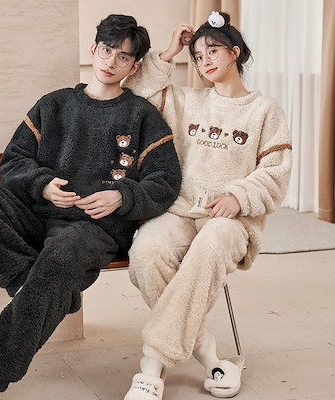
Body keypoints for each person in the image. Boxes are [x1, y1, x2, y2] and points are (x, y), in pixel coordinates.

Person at [0, 14, 181, 400]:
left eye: (123, 57)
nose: (111, 61)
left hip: (94, 228)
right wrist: (42, 184)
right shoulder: (53, 104)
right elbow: (14, 161)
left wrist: (123, 197)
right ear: (93, 49)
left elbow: (166, 180)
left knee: (59, 258)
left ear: (134, 67)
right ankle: (33, 285)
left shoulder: (142, 115)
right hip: (38, 216)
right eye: (106, 50)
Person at [123, 11, 292, 400]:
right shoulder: (187, 101)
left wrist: (239, 197)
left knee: (211, 245)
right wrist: (169, 53)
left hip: (232, 219)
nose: (204, 61)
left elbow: (276, 171)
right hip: (180, 211)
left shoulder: (265, 110)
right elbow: (136, 94)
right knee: (146, 254)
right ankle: (209, 354)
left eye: (213, 51)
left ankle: (152, 365)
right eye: (198, 56)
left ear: (234, 52)